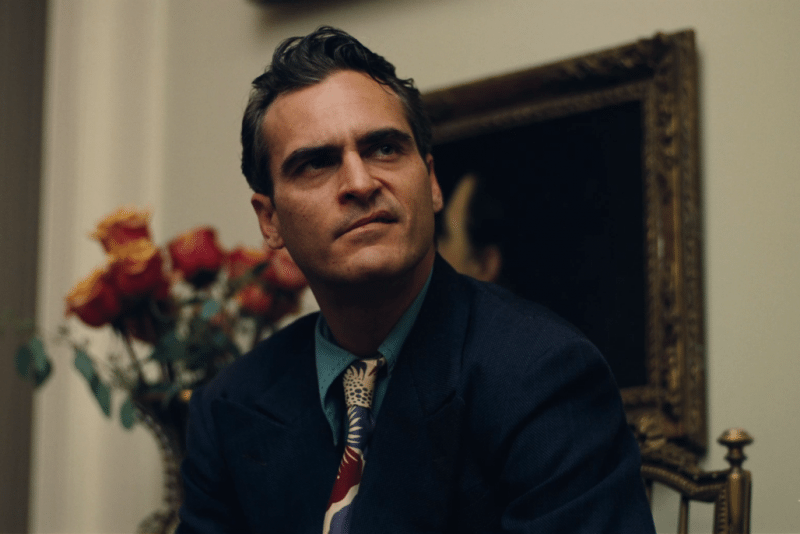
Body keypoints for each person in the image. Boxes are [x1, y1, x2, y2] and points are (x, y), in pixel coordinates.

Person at [177, 26, 656, 533]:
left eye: (384, 148)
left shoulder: (543, 374)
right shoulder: (228, 406)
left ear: (430, 182)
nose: (360, 183)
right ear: (270, 220)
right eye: (317, 162)